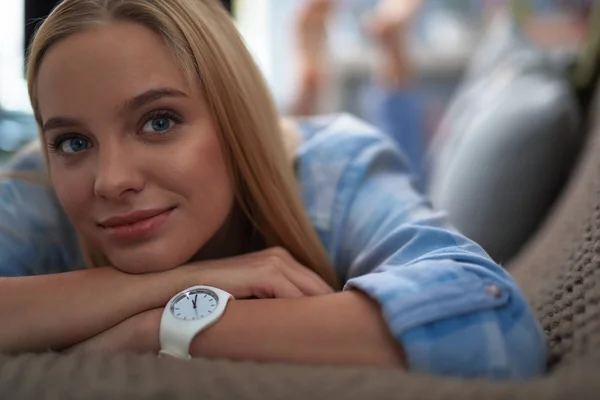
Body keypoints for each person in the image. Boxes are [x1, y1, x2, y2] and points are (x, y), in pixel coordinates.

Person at [0, 0, 546, 378]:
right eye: (72, 142)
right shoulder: (36, 184)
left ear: (233, 117)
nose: (111, 180)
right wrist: (192, 281)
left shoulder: (335, 168)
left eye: (159, 121)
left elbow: (496, 325)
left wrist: (163, 326)